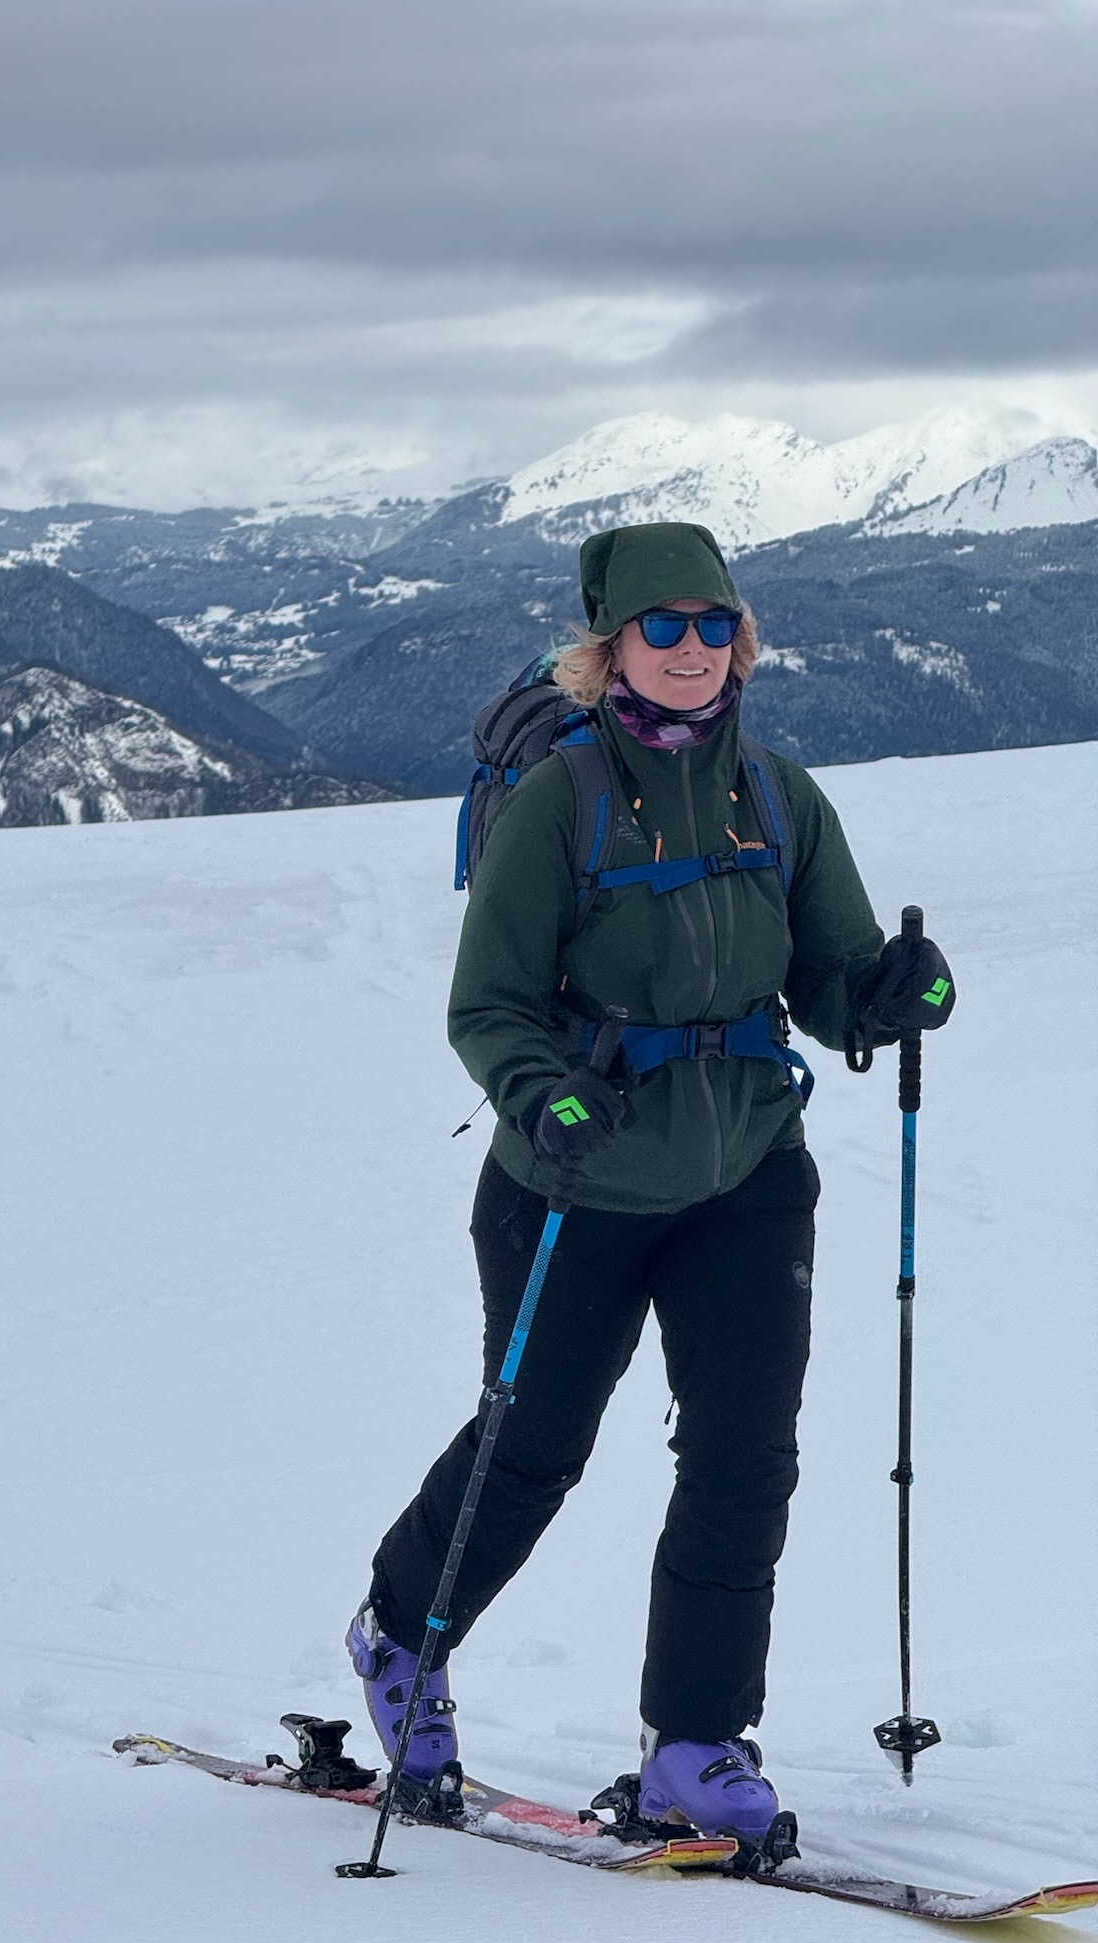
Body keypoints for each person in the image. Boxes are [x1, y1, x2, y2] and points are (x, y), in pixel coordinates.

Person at [345, 520, 956, 1850]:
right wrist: (544, 1091)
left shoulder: (784, 798)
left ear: (742, 639)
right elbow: (489, 1006)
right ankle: (399, 1636)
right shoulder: (560, 804)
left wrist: (889, 994)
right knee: (535, 1446)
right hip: (573, 1178)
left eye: (711, 624)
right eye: (660, 626)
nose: (690, 649)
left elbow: (833, 973)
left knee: (746, 1457)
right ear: (608, 647)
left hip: (746, 1172)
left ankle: (695, 1745)